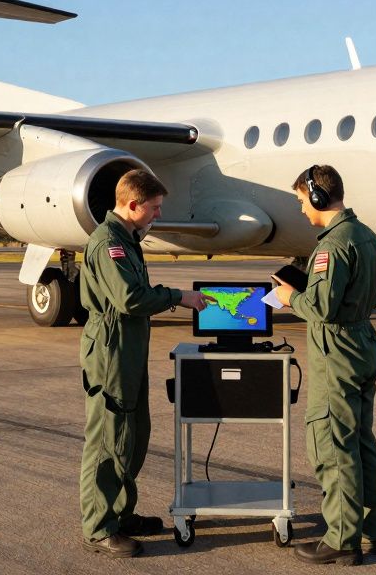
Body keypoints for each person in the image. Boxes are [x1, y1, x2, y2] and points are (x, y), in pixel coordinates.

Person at [79, 168, 214, 558]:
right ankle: (99, 527)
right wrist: (179, 296)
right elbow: (129, 298)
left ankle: (122, 513)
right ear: (133, 204)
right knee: (108, 441)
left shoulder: (128, 239)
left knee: (133, 437)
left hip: (130, 349)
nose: (157, 215)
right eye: (153, 208)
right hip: (111, 354)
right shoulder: (109, 243)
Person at [272, 164, 376, 565]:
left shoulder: (331, 245)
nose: (302, 210)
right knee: (362, 443)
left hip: (336, 353)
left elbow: (320, 306)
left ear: (318, 197)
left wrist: (289, 298)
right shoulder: (367, 237)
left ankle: (341, 539)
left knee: (334, 444)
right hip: (363, 345)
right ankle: (368, 532)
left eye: (302, 201)